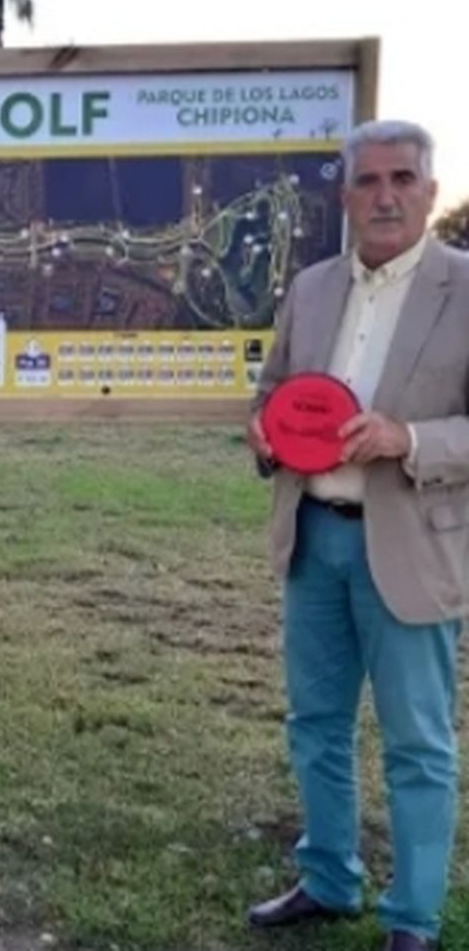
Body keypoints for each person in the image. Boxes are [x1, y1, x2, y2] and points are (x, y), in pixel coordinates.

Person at [246, 120, 469, 951]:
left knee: (417, 739)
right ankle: (330, 876)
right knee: (315, 722)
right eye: (367, 181)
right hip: (313, 536)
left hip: (411, 542)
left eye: (401, 179)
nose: (384, 195)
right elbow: (273, 389)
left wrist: (408, 440)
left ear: (429, 191)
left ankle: (412, 916)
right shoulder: (310, 288)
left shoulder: (464, 286)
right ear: (344, 196)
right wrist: (262, 432)